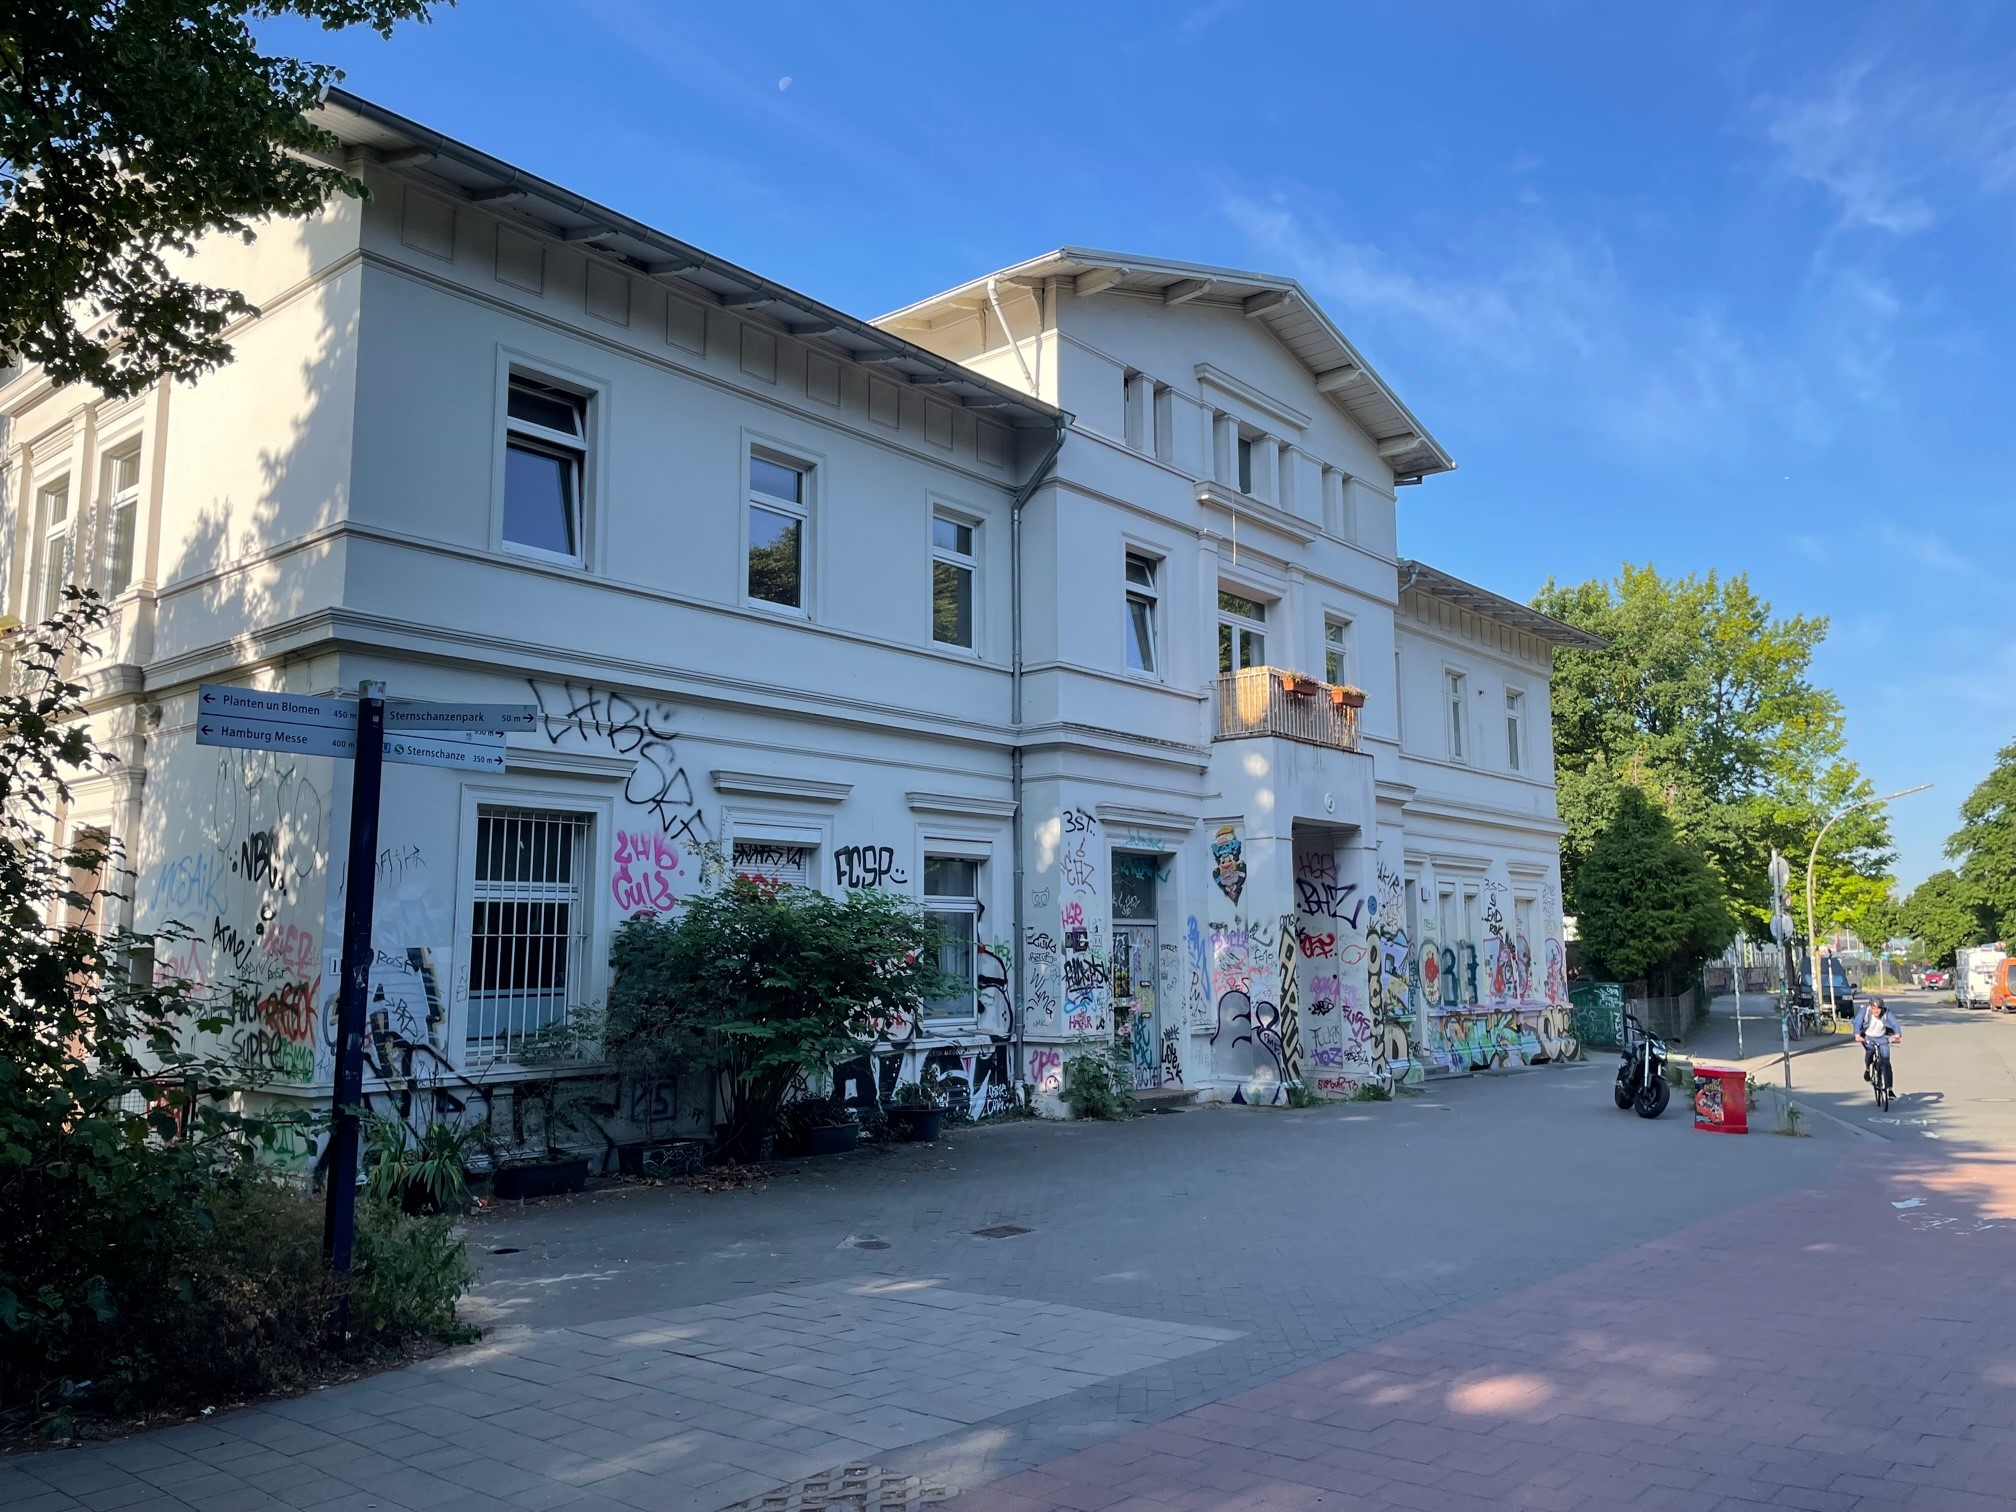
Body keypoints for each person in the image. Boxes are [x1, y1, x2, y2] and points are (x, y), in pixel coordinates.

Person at [1854, 996, 1901, 1090]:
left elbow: (1895, 1023)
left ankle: (1889, 1088)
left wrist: (1897, 1034)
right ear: (1870, 1007)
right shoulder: (1865, 1011)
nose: (1876, 1011)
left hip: (1882, 1037)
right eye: (1874, 1008)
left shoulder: (1886, 1012)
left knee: (1886, 1061)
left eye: (1879, 1008)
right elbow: (1857, 1022)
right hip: (1868, 1037)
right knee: (1870, 1051)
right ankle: (1868, 1069)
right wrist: (1857, 1035)